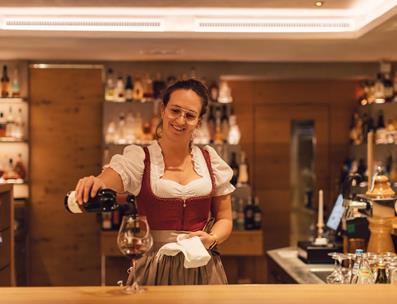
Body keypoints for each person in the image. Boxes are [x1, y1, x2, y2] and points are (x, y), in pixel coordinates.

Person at [74, 79, 235, 285]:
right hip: (154, 266)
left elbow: (225, 219)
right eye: (175, 110)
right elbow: (114, 176)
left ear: (199, 121)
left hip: (202, 266)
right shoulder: (140, 157)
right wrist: (96, 182)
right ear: (162, 110)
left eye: (190, 115)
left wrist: (211, 239)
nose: (181, 120)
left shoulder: (210, 160)